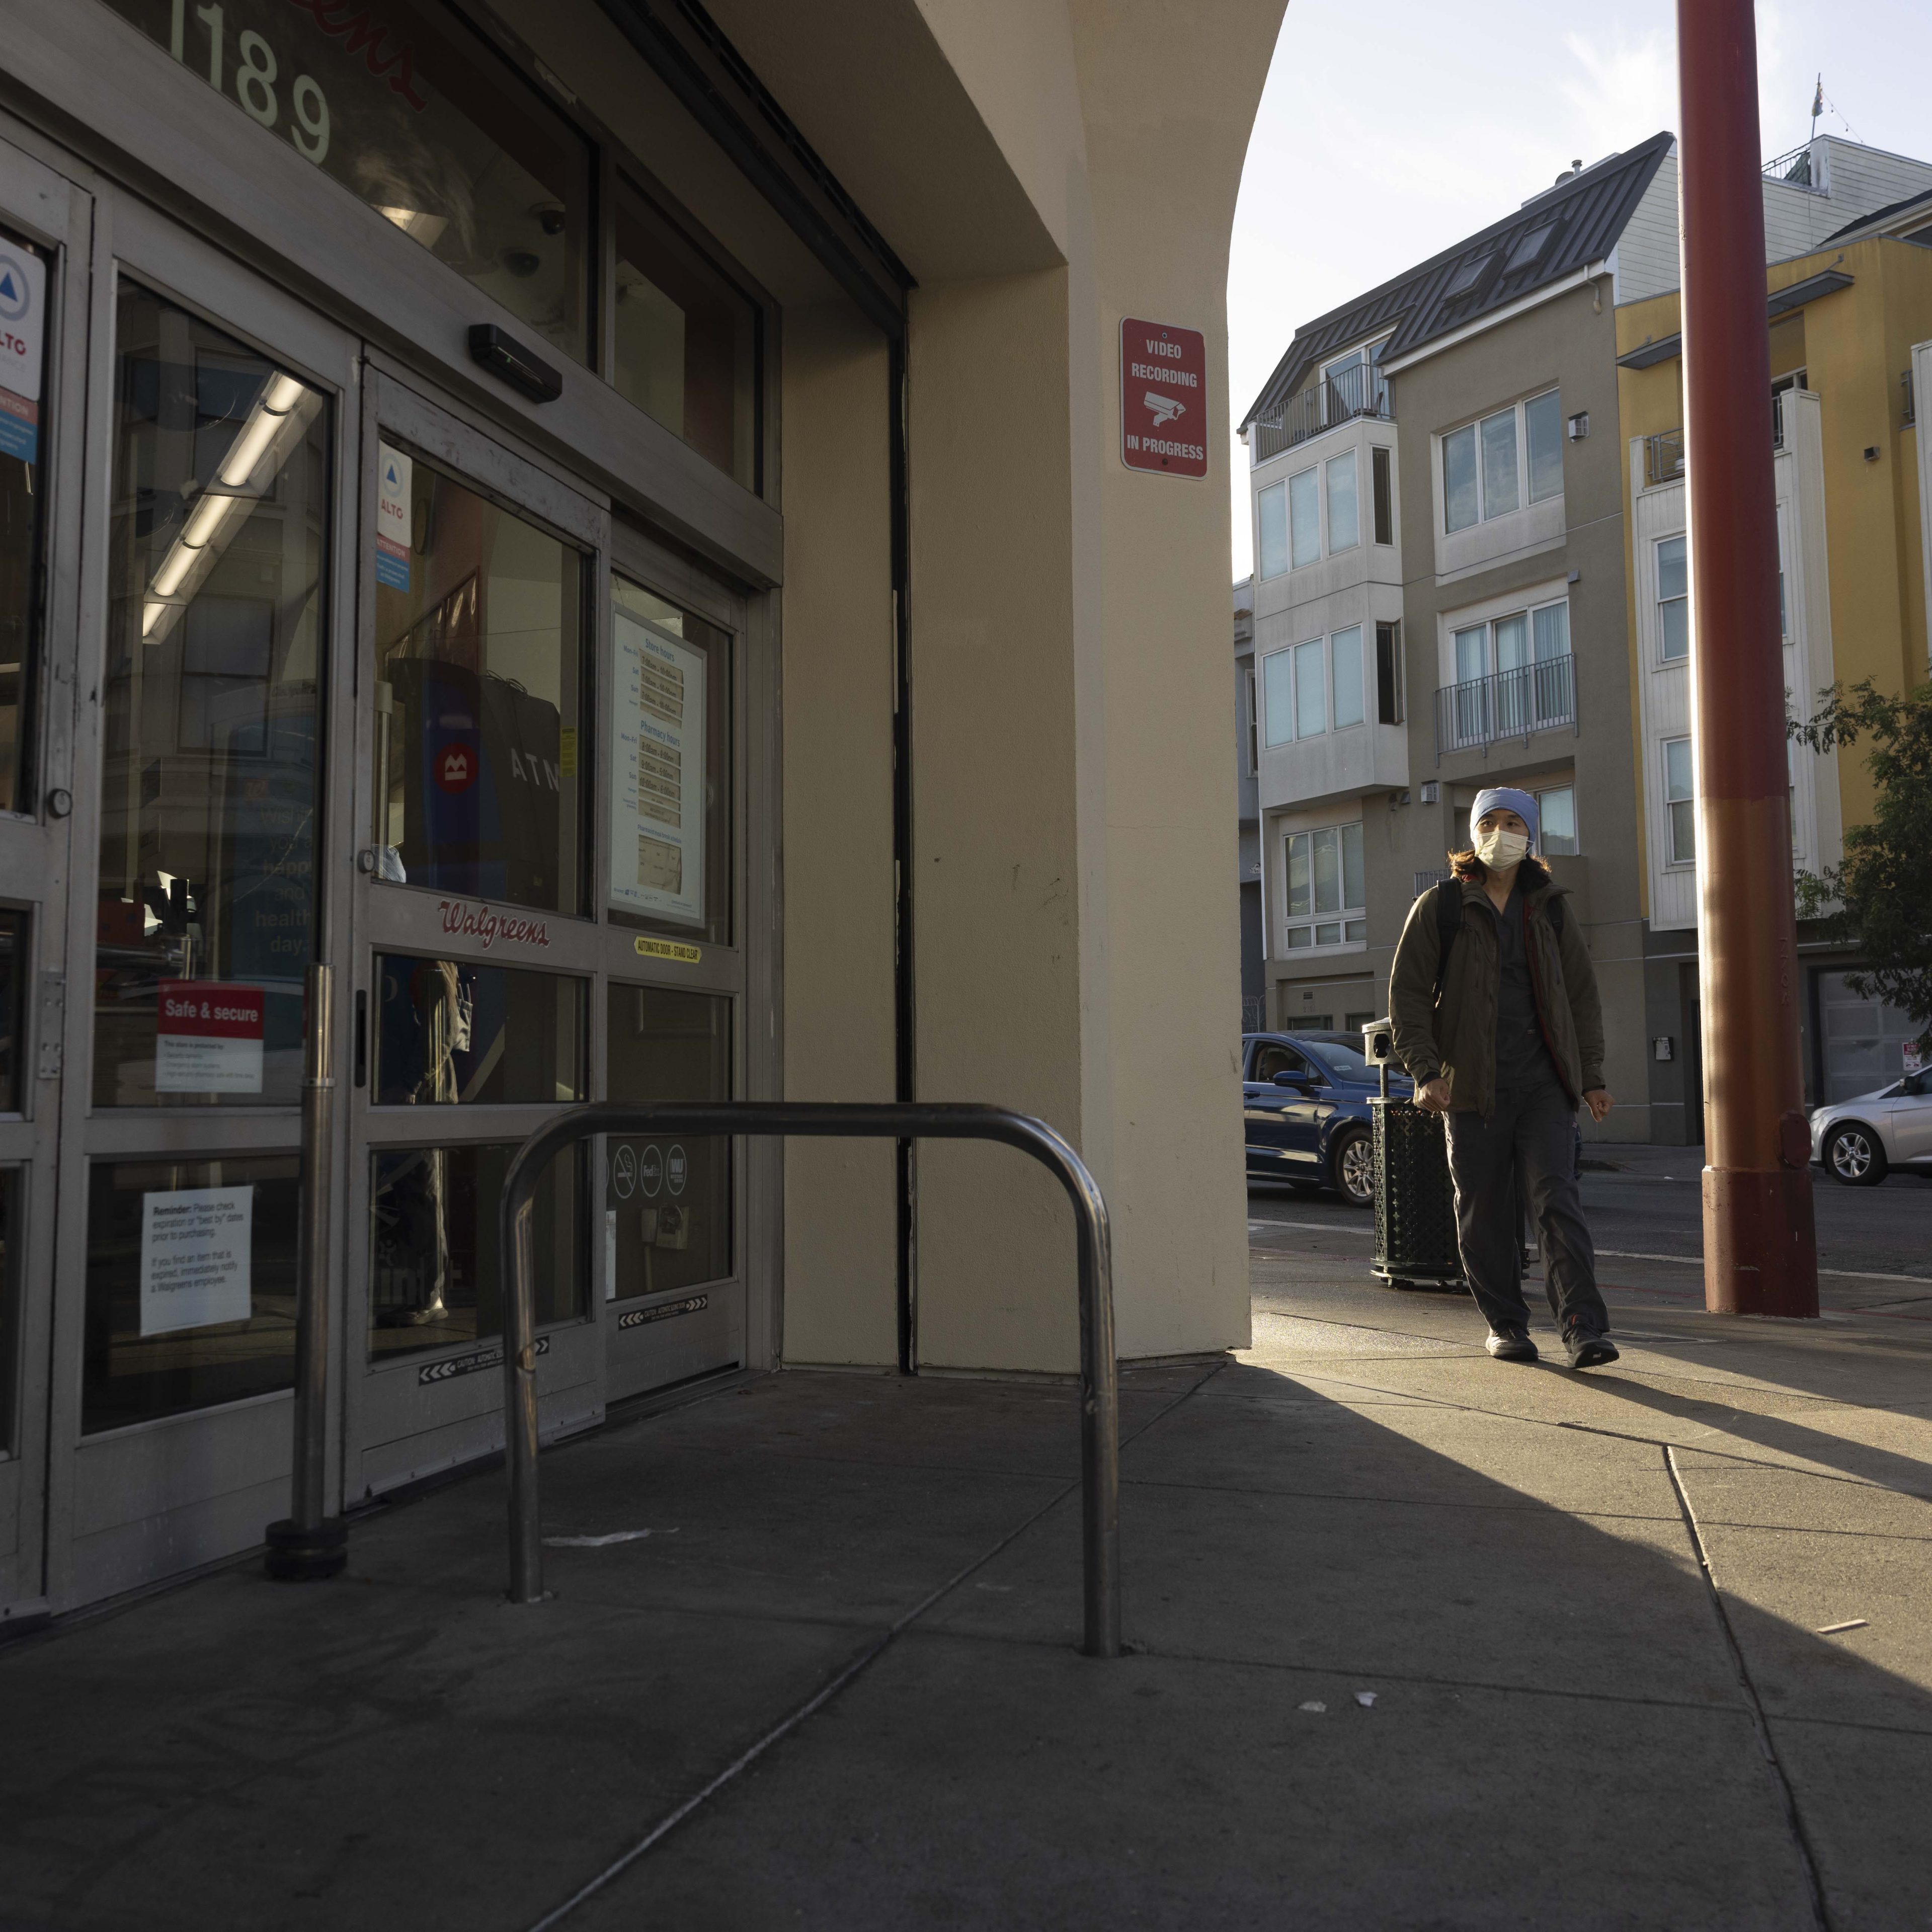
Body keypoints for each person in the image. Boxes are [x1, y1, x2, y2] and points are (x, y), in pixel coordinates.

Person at [1389, 787, 1619, 1369]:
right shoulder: (1440, 906)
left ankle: (1583, 1328)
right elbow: (1409, 997)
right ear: (1473, 835)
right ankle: (1506, 1325)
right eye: (1489, 822)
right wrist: (1425, 1071)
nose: (1500, 831)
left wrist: (1591, 1077)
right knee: (1484, 1210)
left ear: (1531, 835)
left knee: (1557, 1202)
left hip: (1546, 1082)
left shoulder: (1552, 908)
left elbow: (1582, 998)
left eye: (1513, 821)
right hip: (1471, 1086)